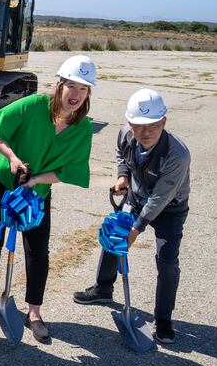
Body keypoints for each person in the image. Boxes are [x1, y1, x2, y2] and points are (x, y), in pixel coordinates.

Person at [0, 55, 96, 343]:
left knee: (37, 249)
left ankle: (34, 312)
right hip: (0, 178)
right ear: (59, 85)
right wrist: (12, 158)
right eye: (71, 86)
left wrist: (36, 180)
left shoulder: (83, 129)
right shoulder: (34, 105)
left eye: (83, 89)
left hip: (35, 191)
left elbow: (68, 171)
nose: (76, 95)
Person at [74, 89, 190, 344]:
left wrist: (136, 230)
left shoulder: (177, 155)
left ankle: (163, 320)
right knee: (114, 237)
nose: (145, 132)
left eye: (153, 126)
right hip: (136, 198)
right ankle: (104, 288)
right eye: (139, 126)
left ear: (164, 123)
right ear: (129, 123)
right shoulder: (126, 135)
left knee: (167, 261)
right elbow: (122, 155)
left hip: (170, 208)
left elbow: (160, 199)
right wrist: (123, 176)